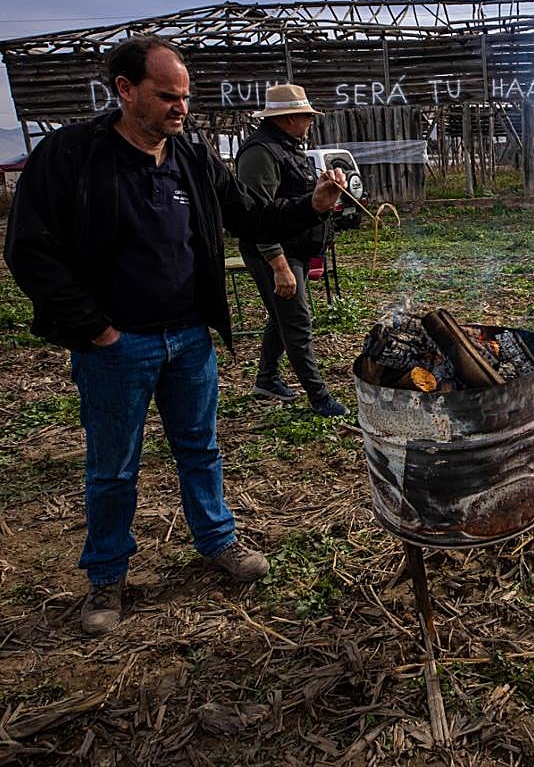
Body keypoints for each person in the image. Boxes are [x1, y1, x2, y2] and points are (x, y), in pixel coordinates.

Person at [3, 35, 345, 635]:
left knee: (201, 448)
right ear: (126, 90)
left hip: (188, 338)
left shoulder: (191, 156)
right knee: (113, 467)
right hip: (117, 346)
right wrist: (97, 329)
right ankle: (107, 574)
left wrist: (312, 205)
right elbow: (30, 253)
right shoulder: (71, 156)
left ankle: (217, 542)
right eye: (167, 97)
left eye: (184, 97)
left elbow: (251, 216)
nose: (180, 109)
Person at [236, 84, 349, 417]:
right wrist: (279, 265)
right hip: (274, 252)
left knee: (282, 316)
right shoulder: (260, 153)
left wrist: (323, 193)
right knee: (297, 322)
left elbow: (292, 198)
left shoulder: (287, 147)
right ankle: (319, 397)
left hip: (294, 247)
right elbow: (256, 215)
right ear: (288, 118)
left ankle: (267, 378)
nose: (310, 122)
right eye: (306, 116)